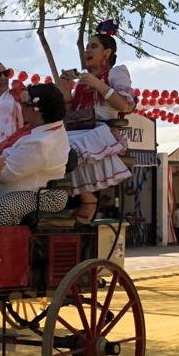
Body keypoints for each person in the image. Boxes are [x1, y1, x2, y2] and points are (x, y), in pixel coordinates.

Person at [55, 20, 136, 224]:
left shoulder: (116, 73)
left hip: (102, 129)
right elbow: (70, 114)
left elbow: (126, 106)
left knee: (71, 147)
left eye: (93, 46)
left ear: (107, 53)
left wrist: (99, 84)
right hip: (78, 128)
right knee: (51, 142)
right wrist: (65, 89)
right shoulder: (84, 81)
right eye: (86, 47)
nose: (87, 50)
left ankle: (88, 200)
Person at [0, 84, 71, 226]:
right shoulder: (47, 127)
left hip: (40, 194)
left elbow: (6, 173)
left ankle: (4, 247)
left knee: (2, 208)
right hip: (33, 187)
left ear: (38, 110)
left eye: (25, 104)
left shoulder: (41, 143)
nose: (22, 108)